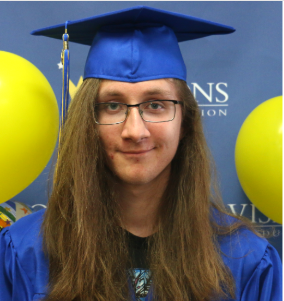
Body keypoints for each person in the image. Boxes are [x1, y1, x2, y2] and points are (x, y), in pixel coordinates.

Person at [0, 6, 282, 301]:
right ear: (87, 124)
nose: (135, 131)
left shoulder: (246, 261)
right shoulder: (25, 253)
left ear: (185, 121)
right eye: (113, 106)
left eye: (156, 105)